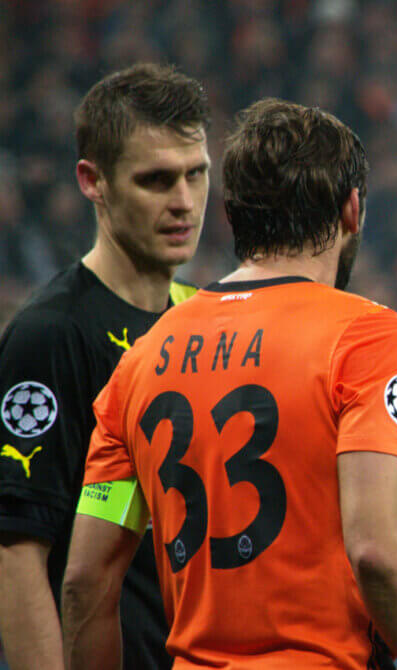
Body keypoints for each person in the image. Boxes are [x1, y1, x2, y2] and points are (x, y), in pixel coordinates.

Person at [60, 98, 397, 670]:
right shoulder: (370, 338)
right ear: (352, 210)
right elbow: (378, 553)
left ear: (234, 214)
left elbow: (84, 580)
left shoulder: (139, 363)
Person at [0, 62, 210, 670]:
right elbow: (17, 554)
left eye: (196, 175)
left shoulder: (201, 318)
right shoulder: (51, 336)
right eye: (156, 180)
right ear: (93, 181)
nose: (184, 203)